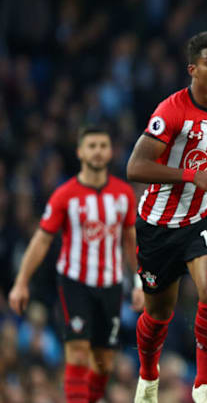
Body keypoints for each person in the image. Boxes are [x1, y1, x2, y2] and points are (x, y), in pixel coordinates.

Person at [126, 31, 207, 403]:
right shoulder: (172, 110)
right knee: (158, 313)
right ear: (193, 69)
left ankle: (203, 384)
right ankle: (147, 375)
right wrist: (193, 176)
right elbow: (135, 166)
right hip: (159, 224)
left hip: (204, 222)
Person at [9, 126, 143, 403]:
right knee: (79, 351)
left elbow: (130, 241)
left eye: (103, 146)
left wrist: (139, 283)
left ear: (110, 152)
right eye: (91, 146)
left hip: (111, 284)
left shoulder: (123, 195)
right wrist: (21, 281)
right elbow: (42, 240)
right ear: (80, 152)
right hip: (75, 283)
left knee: (105, 360)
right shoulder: (65, 194)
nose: (97, 151)